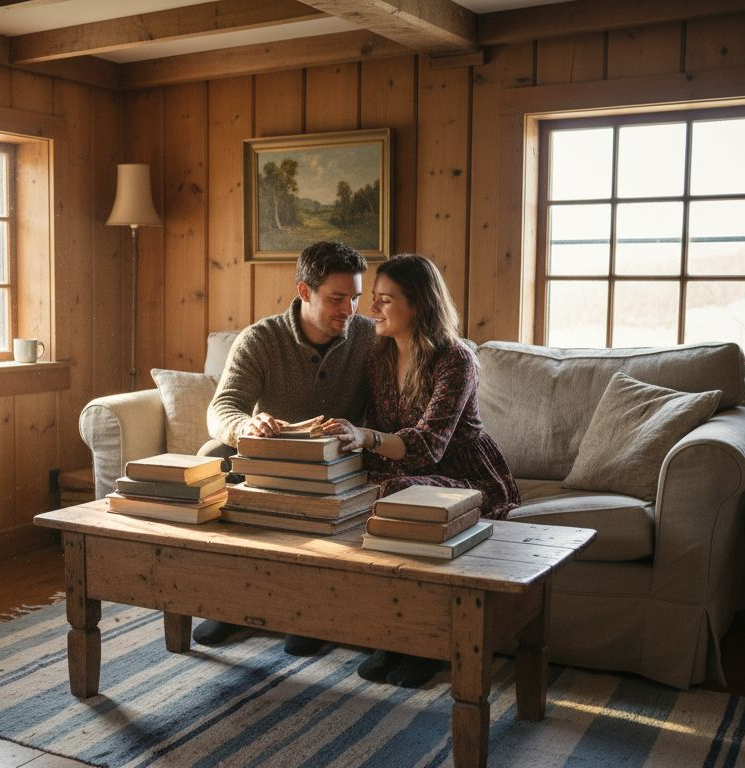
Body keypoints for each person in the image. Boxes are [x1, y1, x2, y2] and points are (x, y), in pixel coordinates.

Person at [323, 252, 521, 686]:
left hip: (466, 475)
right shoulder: (377, 357)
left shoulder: (456, 360)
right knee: (350, 494)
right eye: (373, 299)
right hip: (402, 469)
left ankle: (422, 645)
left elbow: (429, 447)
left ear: (419, 305)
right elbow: (378, 430)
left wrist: (368, 438)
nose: (372, 310)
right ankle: (366, 628)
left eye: (385, 301)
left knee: (396, 491)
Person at [197, 240, 378, 658]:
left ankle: (305, 613)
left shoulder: (370, 338)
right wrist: (247, 424)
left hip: (341, 462)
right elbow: (223, 407)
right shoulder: (261, 339)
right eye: (337, 299)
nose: (349, 310)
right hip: (272, 459)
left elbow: (390, 412)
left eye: (355, 297)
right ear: (304, 292)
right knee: (210, 459)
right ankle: (230, 603)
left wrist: (358, 435)